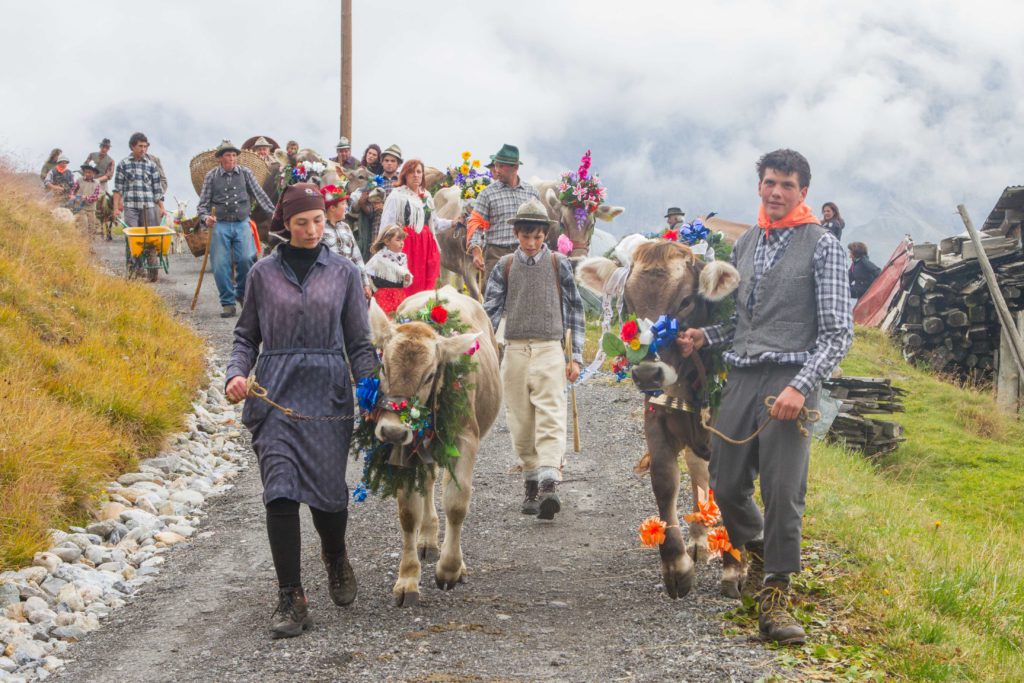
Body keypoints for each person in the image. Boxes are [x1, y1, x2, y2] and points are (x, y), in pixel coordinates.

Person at [677, 149, 852, 645]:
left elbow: (839, 333)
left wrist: (801, 385)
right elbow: (742, 324)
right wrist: (703, 340)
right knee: (726, 483)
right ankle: (757, 551)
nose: (776, 192)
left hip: (794, 377)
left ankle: (776, 593)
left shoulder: (824, 247)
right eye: (770, 182)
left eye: (787, 185)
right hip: (744, 375)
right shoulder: (748, 243)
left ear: (803, 193)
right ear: (760, 186)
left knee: (782, 491)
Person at [225, 182, 376, 640]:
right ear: (285, 226)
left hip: (328, 393)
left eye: (318, 221)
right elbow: (246, 336)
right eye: (301, 223)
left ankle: (335, 555)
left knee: (330, 497)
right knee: (280, 490)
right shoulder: (262, 274)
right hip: (273, 392)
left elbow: (358, 342)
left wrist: (369, 391)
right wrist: (235, 374)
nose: (312, 230)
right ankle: (291, 595)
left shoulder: (346, 273)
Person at [483, 198, 584, 521]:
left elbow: (575, 310)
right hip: (513, 348)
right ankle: (530, 480)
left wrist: (576, 356)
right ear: (516, 234)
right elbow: (491, 311)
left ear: (546, 235)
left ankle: (549, 482)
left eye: (538, 236)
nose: (531, 243)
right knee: (520, 418)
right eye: (526, 236)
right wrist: (482, 350)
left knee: (552, 412)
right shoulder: (505, 266)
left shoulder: (558, 264)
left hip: (550, 348)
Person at [197, 140, 277, 318]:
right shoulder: (211, 176)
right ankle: (227, 303)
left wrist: (276, 215)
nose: (232, 158)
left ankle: (241, 293)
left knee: (247, 258)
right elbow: (202, 206)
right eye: (228, 155)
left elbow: (260, 195)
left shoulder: (246, 173)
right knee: (220, 264)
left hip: (242, 222)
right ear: (220, 158)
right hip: (220, 225)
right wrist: (206, 218)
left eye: (234, 155)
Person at [379, 158, 461, 307]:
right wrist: (387, 250)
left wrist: (452, 222)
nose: (416, 175)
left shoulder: (427, 196)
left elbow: (434, 224)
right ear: (405, 174)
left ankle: (421, 317)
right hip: (406, 246)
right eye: (412, 172)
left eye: (419, 172)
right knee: (406, 284)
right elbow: (387, 224)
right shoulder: (397, 195)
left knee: (425, 289)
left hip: (427, 247)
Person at [467, 144, 541, 288]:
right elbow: (475, 224)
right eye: (496, 165)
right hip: (496, 255)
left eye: (501, 166)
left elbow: (540, 226)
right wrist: (476, 252)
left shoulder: (532, 193)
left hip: (526, 254)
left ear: (514, 167)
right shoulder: (487, 193)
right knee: (494, 303)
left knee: (525, 299)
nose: (496, 170)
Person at [321, 184, 371, 299]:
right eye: (343, 204)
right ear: (332, 207)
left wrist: (365, 283)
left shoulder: (346, 227)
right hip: (328, 284)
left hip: (347, 282)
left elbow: (356, 257)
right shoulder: (320, 228)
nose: (346, 207)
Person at [113, 132, 166, 228]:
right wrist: (116, 208)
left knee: (150, 238)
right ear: (132, 146)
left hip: (148, 208)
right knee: (133, 237)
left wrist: (162, 208)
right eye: (140, 146)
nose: (143, 149)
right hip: (131, 207)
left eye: (145, 146)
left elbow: (157, 190)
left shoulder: (151, 165)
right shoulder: (123, 164)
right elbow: (118, 189)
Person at [364, 224, 413, 314]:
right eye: (398, 240)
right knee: (384, 320)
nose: (402, 243)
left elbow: (405, 279)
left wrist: (407, 278)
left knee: (399, 320)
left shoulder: (402, 258)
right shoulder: (379, 258)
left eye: (402, 240)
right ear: (387, 241)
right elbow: (367, 273)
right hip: (383, 297)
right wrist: (373, 288)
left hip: (399, 296)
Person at [71, 162, 103, 234]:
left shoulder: (97, 183)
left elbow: (97, 196)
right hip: (80, 208)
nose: (87, 174)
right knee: (83, 225)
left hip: (91, 209)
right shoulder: (79, 180)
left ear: (94, 173)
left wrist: (87, 197)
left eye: (90, 172)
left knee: (91, 227)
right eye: (86, 172)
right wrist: (72, 196)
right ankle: (82, 243)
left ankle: (89, 243)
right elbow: (73, 190)